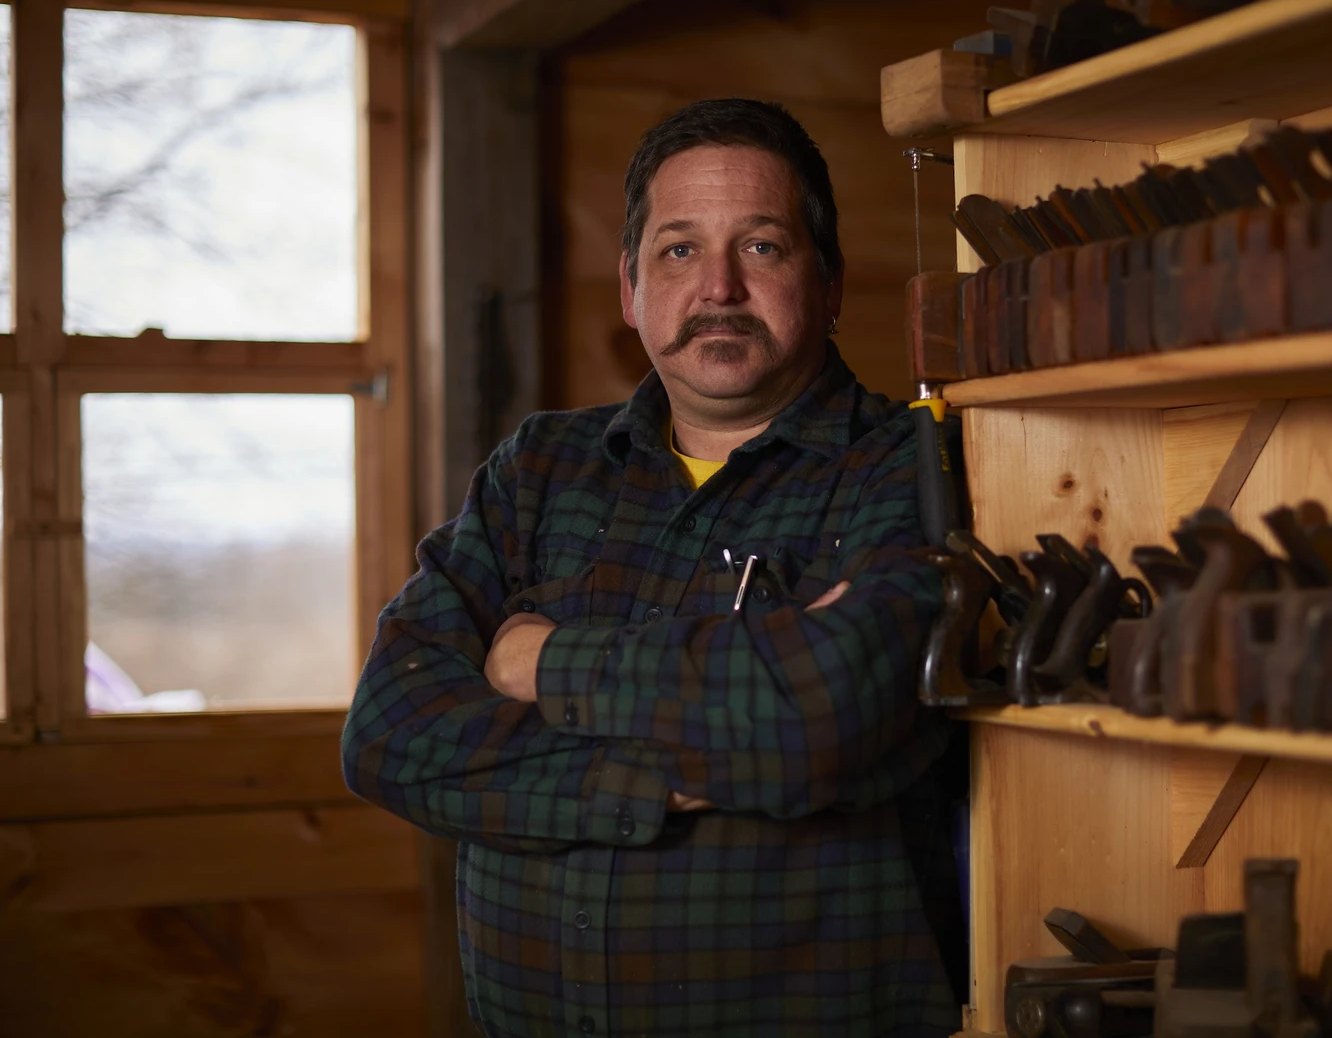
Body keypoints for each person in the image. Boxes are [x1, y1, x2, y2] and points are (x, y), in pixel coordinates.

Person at [342, 99, 965, 1037]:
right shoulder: (541, 468)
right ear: (630, 288)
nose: (717, 286)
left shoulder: (906, 465)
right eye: (678, 250)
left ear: (829, 282)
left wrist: (539, 665)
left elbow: (831, 713)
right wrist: (665, 777)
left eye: (760, 246)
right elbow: (390, 730)